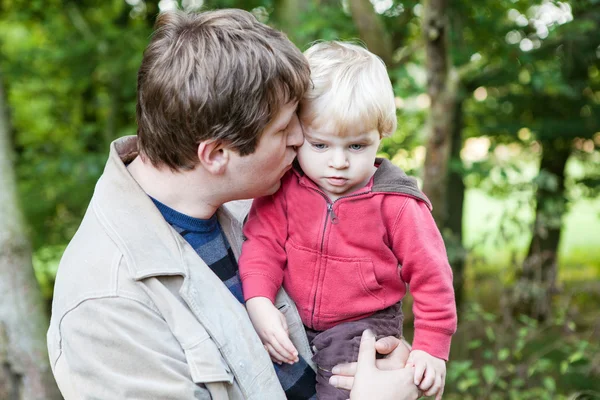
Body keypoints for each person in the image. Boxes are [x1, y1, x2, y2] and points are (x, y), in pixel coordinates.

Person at [46, 9, 417, 400]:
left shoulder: (259, 199)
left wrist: (383, 359)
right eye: (284, 128)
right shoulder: (106, 304)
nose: (301, 137)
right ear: (217, 154)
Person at [239, 41, 458, 400]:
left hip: (362, 326)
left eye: (356, 146)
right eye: (320, 145)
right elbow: (262, 243)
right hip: (291, 312)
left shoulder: (397, 202)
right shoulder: (283, 188)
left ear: (381, 134)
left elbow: (432, 274)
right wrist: (259, 299)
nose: (338, 163)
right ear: (297, 134)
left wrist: (431, 347)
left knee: (342, 389)